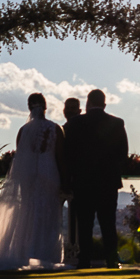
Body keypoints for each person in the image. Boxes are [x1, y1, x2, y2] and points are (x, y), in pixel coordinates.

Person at [0, 93, 69, 270]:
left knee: (28, 211)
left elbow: (21, 158)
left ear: (29, 108)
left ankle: (27, 250)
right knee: (48, 212)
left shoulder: (23, 131)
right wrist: (65, 180)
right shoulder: (55, 129)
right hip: (49, 171)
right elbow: (60, 156)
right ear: (45, 107)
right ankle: (46, 254)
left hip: (29, 175)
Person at [64, 88, 129, 269]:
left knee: (85, 224)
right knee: (108, 223)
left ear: (88, 103)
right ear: (104, 104)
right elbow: (122, 153)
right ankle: (112, 259)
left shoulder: (76, 123)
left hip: (83, 181)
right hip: (108, 181)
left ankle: (84, 259)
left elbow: (68, 153)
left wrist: (72, 176)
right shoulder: (117, 123)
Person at [62, 96, 83, 265]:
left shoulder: (86, 129)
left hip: (82, 179)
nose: (69, 111)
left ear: (79, 111)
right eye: (67, 108)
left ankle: (79, 253)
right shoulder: (60, 130)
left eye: (72, 108)